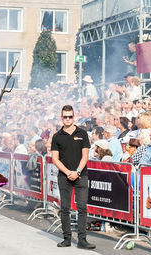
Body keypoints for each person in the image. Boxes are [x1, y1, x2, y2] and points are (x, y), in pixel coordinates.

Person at [50, 104, 96, 249]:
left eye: (70, 116)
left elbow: (85, 155)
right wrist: (68, 172)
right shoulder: (57, 136)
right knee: (65, 208)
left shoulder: (82, 134)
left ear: (73, 117)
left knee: (82, 207)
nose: (68, 119)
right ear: (61, 117)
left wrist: (77, 172)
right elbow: (55, 159)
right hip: (64, 177)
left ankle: (82, 239)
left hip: (81, 175)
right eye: (65, 117)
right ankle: (67, 238)